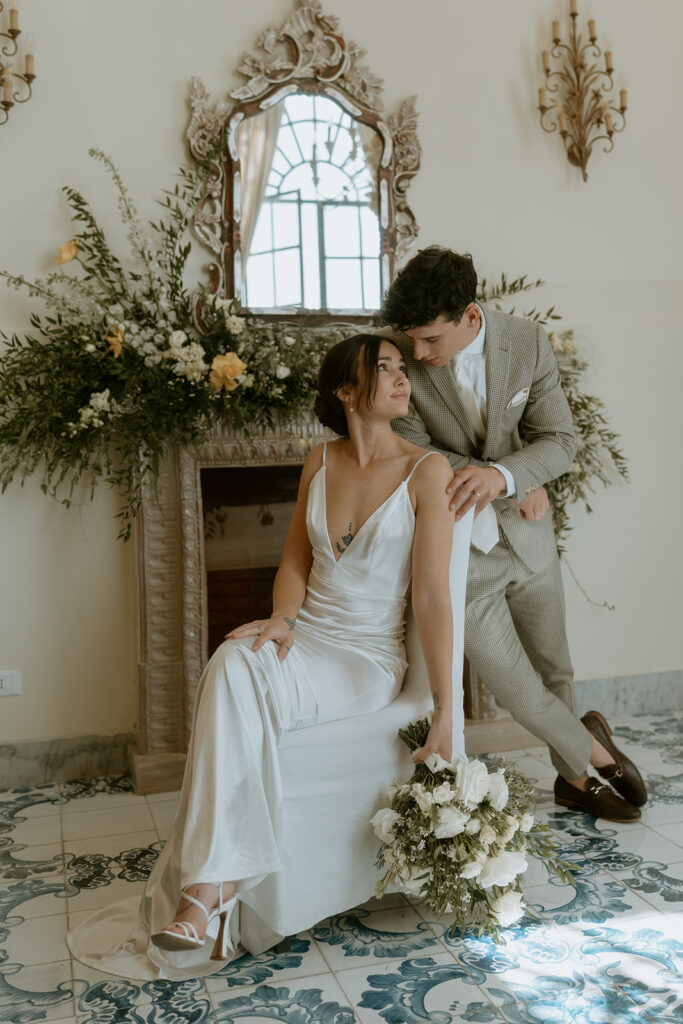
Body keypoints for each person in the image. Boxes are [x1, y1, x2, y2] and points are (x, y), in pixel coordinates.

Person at [67, 334, 470, 981]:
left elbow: (430, 595)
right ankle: (213, 890)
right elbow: (293, 560)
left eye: (403, 367)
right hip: (306, 638)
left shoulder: (427, 471)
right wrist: (281, 620)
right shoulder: (321, 459)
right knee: (232, 660)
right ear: (345, 392)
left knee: (242, 671)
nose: (403, 379)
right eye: (384, 368)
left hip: (363, 660)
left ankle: (208, 893)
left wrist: (447, 709)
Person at [380, 246, 647, 824]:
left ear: (470, 317)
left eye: (430, 340)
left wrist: (508, 474)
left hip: (530, 537)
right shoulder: (399, 356)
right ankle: (595, 749)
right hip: (460, 556)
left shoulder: (526, 342)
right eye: (412, 340)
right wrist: (504, 476)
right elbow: (408, 447)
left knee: (557, 671)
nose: (417, 355)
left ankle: (573, 780)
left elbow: (559, 440)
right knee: (518, 690)